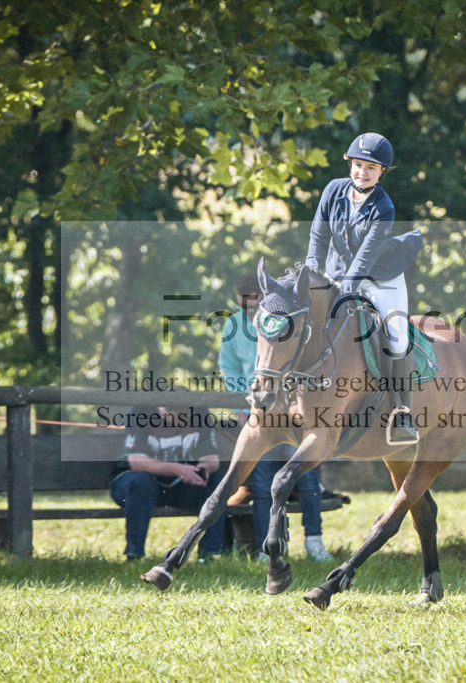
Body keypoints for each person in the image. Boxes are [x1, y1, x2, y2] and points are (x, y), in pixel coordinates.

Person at [304, 132, 424, 444]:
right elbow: (318, 237)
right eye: (358, 165)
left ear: (382, 172)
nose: (362, 172)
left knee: (397, 337)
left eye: (371, 168)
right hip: (337, 273)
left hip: (381, 278)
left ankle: (403, 413)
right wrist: (312, 273)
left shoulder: (384, 207)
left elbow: (364, 260)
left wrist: (344, 292)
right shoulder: (333, 190)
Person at [218, 272, 333, 562]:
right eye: (244, 306)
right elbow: (230, 368)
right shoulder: (234, 325)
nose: (249, 311)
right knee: (261, 484)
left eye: (254, 305)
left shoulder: (288, 318)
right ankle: (264, 548)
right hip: (261, 412)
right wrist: (243, 412)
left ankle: (314, 541)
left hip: (295, 411)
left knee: (306, 478)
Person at [109, 404, 226, 561]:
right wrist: (178, 469)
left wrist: (202, 471)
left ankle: (209, 554)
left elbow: (211, 459)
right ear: (163, 410)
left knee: (217, 481)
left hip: (179, 486)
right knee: (142, 482)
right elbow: (137, 463)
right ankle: (134, 554)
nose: (182, 423)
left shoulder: (200, 412)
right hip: (134, 484)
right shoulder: (140, 411)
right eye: (178, 417)